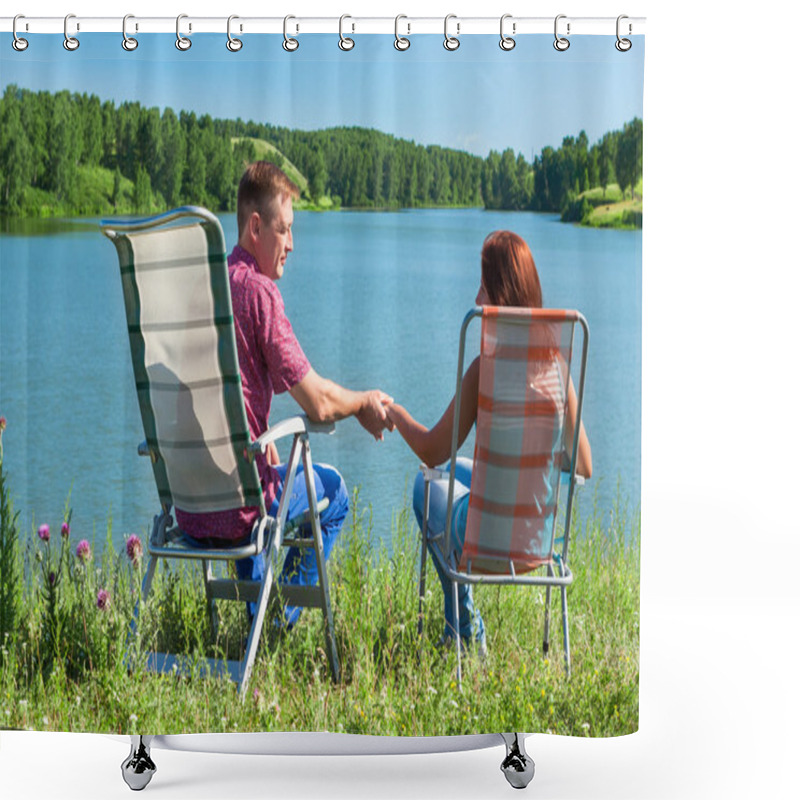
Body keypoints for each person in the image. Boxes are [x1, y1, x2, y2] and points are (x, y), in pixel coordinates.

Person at [176, 161, 393, 625]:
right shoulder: (259, 294)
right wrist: (363, 404)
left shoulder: (202, 288)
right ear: (256, 226)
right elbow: (318, 402)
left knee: (265, 466)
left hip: (191, 508)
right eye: (285, 230)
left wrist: (259, 431)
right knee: (333, 494)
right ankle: (276, 620)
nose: (292, 245)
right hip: (238, 511)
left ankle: (256, 618)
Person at [386, 230, 592, 655]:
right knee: (456, 471)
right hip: (537, 539)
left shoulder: (485, 371)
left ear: (500, 292)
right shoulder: (557, 371)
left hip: (486, 540)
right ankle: (461, 629)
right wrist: (536, 458)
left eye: (483, 284)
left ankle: (463, 629)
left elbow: (430, 450)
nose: (477, 298)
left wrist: (394, 413)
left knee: (426, 484)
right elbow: (584, 466)